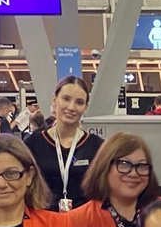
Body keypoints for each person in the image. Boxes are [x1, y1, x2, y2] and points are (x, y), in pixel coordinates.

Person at [24, 76, 106, 211]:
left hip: (84, 223)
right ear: (54, 100)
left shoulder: (97, 146)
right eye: (66, 99)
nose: (71, 107)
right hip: (43, 222)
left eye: (79, 102)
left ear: (85, 107)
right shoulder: (33, 143)